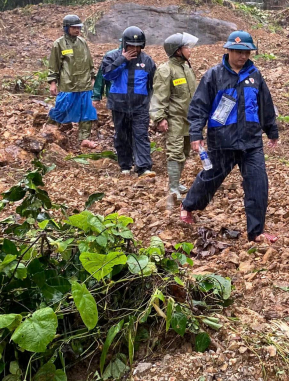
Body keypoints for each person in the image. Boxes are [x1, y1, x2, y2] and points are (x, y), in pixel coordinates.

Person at [180, 31, 279, 243]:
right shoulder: (214, 75)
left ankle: (256, 232)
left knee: (258, 184)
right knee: (210, 179)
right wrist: (196, 134)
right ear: (228, 51)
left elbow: (265, 106)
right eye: (237, 52)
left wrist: (272, 131)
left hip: (251, 143)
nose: (242, 56)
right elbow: (199, 108)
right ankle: (188, 206)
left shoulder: (255, 76)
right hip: (222, 141)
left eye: (246, 52)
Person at [100, 26, 157, 177]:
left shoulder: (147, 61)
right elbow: (107, 75)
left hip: (140, 106)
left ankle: (144, 167)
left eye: (137, 46)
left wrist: (149, 103)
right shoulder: (112, 56)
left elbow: (152, 84)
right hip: (119, 105)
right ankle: (125, 165)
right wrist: (122, 60)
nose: (134, 49)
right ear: (125, 44)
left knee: (141, 135)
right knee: (122, 135)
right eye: (131, 45)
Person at [150, 32, 199, 198]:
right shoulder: (165, 70)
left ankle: (177, 183)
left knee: (185, 151)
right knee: (175, 152)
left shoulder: (186, 67)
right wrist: (159, 118)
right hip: (174, 119)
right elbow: (159, 96)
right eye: (186, 47)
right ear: (177, 51)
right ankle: (172, 188)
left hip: (188, 118)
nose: (190, 50)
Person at [47, 14, 99, 149]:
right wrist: (53, 82)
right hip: (68, 84)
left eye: (79, 27)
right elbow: (54, 65)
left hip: (85, 83)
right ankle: (49, 131)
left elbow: (89, 62)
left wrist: (93, 78)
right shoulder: (59, 44)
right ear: (66, 28)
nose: (77, 30)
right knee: (61, 108)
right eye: (74, 27)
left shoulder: (82, 42)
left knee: (87, 111)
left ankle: (84, 138)